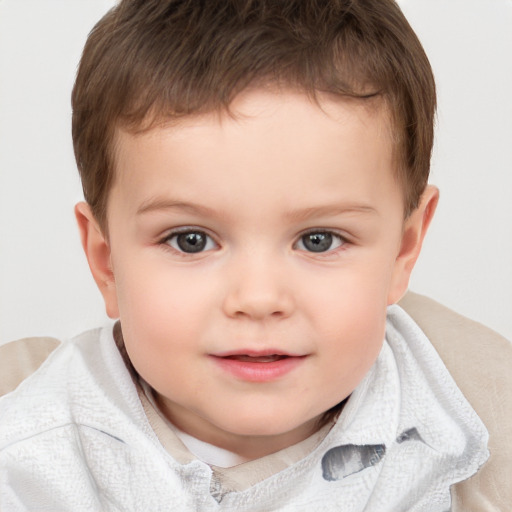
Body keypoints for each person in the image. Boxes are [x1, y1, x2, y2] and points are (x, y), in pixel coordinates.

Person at [0, 0, 510, 510]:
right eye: (191, 240)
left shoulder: (482, 415)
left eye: (319, 239)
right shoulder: (29, 458)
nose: (259, 298)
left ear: (404, 248)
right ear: (106, 260)